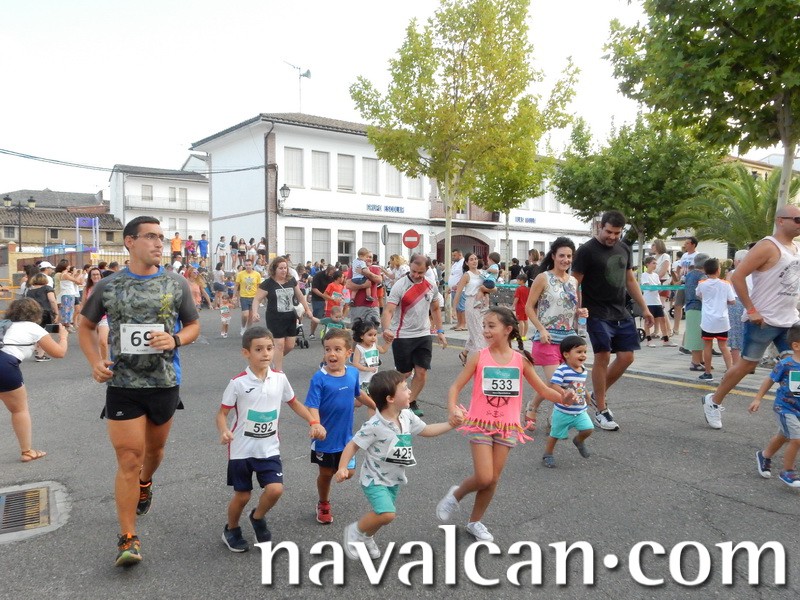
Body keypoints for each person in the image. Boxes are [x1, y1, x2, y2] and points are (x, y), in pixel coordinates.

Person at [78, 216, 200, 567]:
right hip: (123, 385)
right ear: (130, 242)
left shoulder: (176, 283)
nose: (160, 243)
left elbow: (193, 325)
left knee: (154, 452)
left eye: (161, 237)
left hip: (164, 382)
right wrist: (95, 362)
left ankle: (146, 483)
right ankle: (127, 537)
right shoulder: (109, 285)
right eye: (150, 236)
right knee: (130, 458)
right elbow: (85, 326)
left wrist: (175, 339)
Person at [436, 307, 570, 541]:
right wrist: (452, 408)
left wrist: (564, 398)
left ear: (508, 329)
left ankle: (475, 522)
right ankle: (456, 494)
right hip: (480, 423)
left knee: (493, 479)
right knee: (484, 477)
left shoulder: (520, 360)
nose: (486, 331)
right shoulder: (479, 356)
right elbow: (455, 387)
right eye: (484, 326)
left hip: (508, 426)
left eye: (491, 326)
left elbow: (544, 390)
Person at [216, 327, 326, 552]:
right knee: (242, 495)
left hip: (269, 448)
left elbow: (294, 402)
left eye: (269, 348)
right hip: (241, 449)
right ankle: (231, 529)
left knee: (275, 489)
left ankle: (257, 517)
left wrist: (313, 421)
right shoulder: (238, 383)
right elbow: (222, 413)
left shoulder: (279, 379)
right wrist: (224, 430)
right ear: (246, 353)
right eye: (258, 349)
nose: (265, 353)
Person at [336, 370, 455, 560]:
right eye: (405, 389)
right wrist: (343, 467)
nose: (410, 392)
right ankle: (355, 531)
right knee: (387, 514)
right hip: (374, 479)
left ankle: (367, 537)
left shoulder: (406, 416)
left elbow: (426, 430)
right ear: (390, 398)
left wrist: (451, 424)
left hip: (394, 479)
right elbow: (353, 445)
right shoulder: (375, 425)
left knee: (382, 516)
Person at [702, 206, 800, 429]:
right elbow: (738, 276)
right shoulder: (767, 246)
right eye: (797, 219)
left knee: (796, 366)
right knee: (747, 365)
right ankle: (714, 401)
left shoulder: (795, 248)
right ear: (780, 220)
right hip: (764, 320)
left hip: (789, 320)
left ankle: (793, 415)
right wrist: (751, 309)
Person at [571, 210, 654, 431]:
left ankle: (596, 394)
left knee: (627, 357)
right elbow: (574, 282)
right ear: (601, 227)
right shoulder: (586, 251)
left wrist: (645, 308)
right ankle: (601, 409)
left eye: (617, 233)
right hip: (596, 312)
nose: (612, 237)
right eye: (609, 232)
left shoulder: (624, 248)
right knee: (603, 355)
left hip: (620, 311)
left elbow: (630, 280)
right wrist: (576, 309)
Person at [305, 329, 375, 525]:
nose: (331, 354)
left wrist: (376, 407)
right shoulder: (319, 378)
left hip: (346, 438)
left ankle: (340, 472)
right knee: (326, 474)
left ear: (348, 353)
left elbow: (358, 394)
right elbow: (312, 405)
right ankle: (323, 503)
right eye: (327, 349)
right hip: (325, 439)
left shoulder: (352, 373)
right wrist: (316, 424)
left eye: (337, 349)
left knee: (349, 473)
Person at [524, 237, 586, 428]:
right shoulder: (543, 278)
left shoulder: (573, 281)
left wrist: (580, 312)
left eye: (569, 256)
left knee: (559, 381)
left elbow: (572, 308)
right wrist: (541, 329)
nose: (565, 260)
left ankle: (534, 407)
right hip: (547, 339)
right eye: (562, 256)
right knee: (556, 383)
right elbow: (528, 307)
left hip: (568, 340)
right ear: (553, 256)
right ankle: (556, 416)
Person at [1, 298, 68, 462]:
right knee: (19, 410)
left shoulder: (3, 324)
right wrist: (63, 337)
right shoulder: (33, 328)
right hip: (5, 365)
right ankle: (27, 451)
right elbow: (59, 353)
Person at [381, 254, 447, 418]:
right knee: (403, 374)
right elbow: (388, 310)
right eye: (414, 271)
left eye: (420, 272)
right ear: (409, 266)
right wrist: (386, 329)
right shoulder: (400, 285)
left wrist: (440, 331)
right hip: (402, 334)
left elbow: (435, 309)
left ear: (427, 269)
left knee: (421, 371)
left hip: (423, 334)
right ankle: (391, 400)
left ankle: (410, 402)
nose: (416, 275)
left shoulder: (431, 285)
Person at [750, 324, 800, 487]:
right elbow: (770, 380)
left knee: (784, 436)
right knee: (797, 439)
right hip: (785, 408)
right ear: (796, 346)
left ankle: (764, 455)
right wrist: (758, 398)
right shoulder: (786, 364)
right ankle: (788, 471)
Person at [251, 256, 315, 372]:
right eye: (281, 268)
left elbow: (300, 296)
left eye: (285, 268)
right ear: (274, 269)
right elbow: (257, 299)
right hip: (275, 318)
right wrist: (255, 312)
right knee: (279, 345)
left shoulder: (291, 280)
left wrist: (307, 309)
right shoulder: (268, 284)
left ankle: (272, 361)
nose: (284, 270)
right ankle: (278, 371)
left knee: (290, 345)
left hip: (290, 317)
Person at [541, 335, 592, 468]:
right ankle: (548, 454)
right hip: (563, 411)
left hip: (580, 410)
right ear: (566, 354)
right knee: (555, 435)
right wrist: (565, 392)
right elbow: (554, 385)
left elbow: (582, 385)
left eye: (585, 352)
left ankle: (578, 440)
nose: (583, 355)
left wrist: (587, 395)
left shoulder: (583, 369)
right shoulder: (562, 370)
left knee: (588, 429)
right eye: (579, 352)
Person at [695, 258, 735, 381]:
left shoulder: (702, 283)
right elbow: (732, 301)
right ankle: (730, 373)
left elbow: (698, 295)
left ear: (705, 270)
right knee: (723, 346)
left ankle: (708, 373)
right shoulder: (725, 284)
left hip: (708, 321)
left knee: (707, 346)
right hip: (722, 320)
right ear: (718, 270)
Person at [640, 256, 675, 347]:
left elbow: (658, 289)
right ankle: (649, 340)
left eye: (656, 263)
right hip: (648, 302)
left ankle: (666, 340)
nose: (655, 265)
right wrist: (657, 287)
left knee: (662, 320)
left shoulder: (656, 275)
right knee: (648, 321)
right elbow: (648, 287)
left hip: (657, 301)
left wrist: (664, 286)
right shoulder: (644, 275)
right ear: (647, 264)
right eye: (653, 263)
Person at [23, 273, 59, 362]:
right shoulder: (47, 288)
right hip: (46, 312)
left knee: (36, 332)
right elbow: (52, 300)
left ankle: (37, 350)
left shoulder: (29, 291)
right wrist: (56, 312)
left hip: (33, 313)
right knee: (46, 333)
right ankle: (40, 355)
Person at [351, 316, 389, 396]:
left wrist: (388, 343)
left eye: (375, 335)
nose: (373, 338)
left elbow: (383, 350)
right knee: (361, 400)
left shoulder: (374, 345)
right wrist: (366, 369)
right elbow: (355, 363)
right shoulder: (359, 348)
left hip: (373, 378)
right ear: (361, 336)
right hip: (362, 380)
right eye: (370, 335)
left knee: (372, 398)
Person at [684, 253, 710, 371]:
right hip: (698, 307)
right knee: (698, 336)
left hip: (689, 306)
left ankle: (700, 360)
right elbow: (703, 294)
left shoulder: (689, 274)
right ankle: (695, 362)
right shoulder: (703, 276)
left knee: (696, 334)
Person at [83, 267, 109, 361]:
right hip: (91, 318)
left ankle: (105, 362)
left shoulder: (106, 287)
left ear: (101, 276)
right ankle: (98, 362)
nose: (95, 276)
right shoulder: (87, 289)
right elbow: (84, 304)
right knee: (94, 343)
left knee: (103, 341)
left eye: (97, 274)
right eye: (93, 275)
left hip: (104, 318)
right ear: (90, 277)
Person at [234, 259, 262, 336]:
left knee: (251, 316)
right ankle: (243, 327)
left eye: (249, 265)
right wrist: (234, 296)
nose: (248, 266)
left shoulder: (257, 274)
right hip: (244, 296)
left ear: (252, 265)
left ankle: (248, 330)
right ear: (244, 265)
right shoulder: (240, 274)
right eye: (246, 265)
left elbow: (259, 286)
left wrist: (259, 297)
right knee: (245, 314)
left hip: (254, 297)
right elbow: (236, 285)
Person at [309, 264, 336, 339]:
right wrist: (322, 295)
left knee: (330, 316)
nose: (331, 276)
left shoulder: (333, 277)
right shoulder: (318, 275)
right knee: (317, 315)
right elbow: (314, 288)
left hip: (329, 298)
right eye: (330, 274)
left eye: (332, 275)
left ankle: (328, 333)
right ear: (326, 271)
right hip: (318, 298)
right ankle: (312, 333)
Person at [448, 249, 466, 330]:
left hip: (461, 289)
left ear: (460, 254)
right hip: (453, 289)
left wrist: (458, 284)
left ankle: (463, 324)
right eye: (452, 255)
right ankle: (459, 323)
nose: (453, 257)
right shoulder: (455, 264)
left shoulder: (463, 263)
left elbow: (464, 275)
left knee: (461, 307)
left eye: (454, 255)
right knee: (457, 307)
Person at [511, 270, 529, 339]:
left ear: (521, 281)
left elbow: (516, 298)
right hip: (526, 307)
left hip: (520, 307)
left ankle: (520, 335)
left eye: (518, 280)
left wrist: (512, 306)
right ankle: (524, 335)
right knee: (525, 321)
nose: (517, 281)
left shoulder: (519, 289)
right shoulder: (527, 289)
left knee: (520, 321)